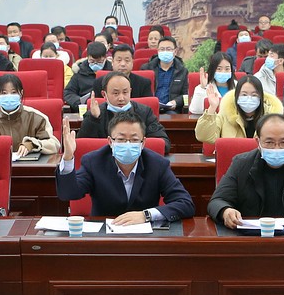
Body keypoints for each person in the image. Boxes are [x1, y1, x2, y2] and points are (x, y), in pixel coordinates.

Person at [56, 111, 194, 224]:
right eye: (121, 139)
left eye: (134, 140)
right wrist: (67, 157)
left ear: (143, 143)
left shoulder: (157, 164)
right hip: (103, 237)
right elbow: (68, 194)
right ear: (110, 141)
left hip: (145, 237)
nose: (128, 144)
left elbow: (185, 203)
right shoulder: (94, 162)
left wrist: (146, 215)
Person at [207, 114, 284, 227]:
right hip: (252, 237)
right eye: (269, 142)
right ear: (258, 142)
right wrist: (225, 211)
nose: (277, 148)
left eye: (283, 142)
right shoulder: (241, 163)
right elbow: (217, 201)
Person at [0, 73, 60, 157]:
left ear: (21, 93)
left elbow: (54, 144)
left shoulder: (37, 117)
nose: (9, 96)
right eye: (4, 93)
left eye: (13, 92)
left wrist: (32, 144)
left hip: (29, 167)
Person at [77, 72, 170, 154]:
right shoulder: (95, 114)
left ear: (130, 91)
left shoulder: (144, 112)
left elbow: (163, 144)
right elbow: (82, 147)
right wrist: (93, 119)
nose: (121, 98)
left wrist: (134, 147)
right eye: (116, 93)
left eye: (125, 92)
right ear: (104, 94)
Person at [195, 74, 282, 145]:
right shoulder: (225, 114)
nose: (249, 98)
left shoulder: (271, 119)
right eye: (244, 95)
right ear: (236, 96)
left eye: (254, 95)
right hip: (232, 159)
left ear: (261, 97)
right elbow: (203, 136)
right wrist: (212, 108)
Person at [142, 36, 187, 112]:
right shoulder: (146, 69)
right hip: (149, 108)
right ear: (158, 51)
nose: (165, 52)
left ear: (175, 52)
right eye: (162, 49)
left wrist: (176, 102)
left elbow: (186, 94)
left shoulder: (182, 71)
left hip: (171, 109)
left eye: (168, 49)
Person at [64, 41, 111, 112]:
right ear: (87, 57)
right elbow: (68, 92)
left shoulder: (112, 71)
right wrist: (79, 102)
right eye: (92, 61)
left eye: (99, 62)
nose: (95, 64)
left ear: (105, 58)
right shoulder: (79, 71)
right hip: (84, 108)